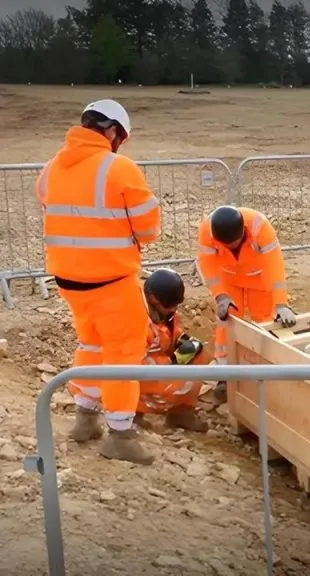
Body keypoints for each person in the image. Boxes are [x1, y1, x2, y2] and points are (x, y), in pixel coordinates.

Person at [36, 99, 162, 465]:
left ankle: (85, 417)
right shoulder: (119, 168)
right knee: (122, 354)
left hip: (68, 281)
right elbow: (149, 229)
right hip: (111, 280)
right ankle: (120, 434)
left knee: (91, 344)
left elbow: (55, 211)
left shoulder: (49, 169)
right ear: (112, 132)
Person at [196, 206, 297, 403]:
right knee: (228, 323)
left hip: (259, 279)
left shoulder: (260, 227)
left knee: (267, 322)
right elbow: (207, 266)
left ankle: (268, 373)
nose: (232, 248)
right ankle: (225, 374)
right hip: (229, 280)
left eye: (234, 244)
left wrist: (281, 304)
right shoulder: (207, 231)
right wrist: (220, 296)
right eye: (228, 245)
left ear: (243, 230)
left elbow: (275, 266)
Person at [134, 268, 212, 432]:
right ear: (153, 299)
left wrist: (183, 341)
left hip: (159, 365)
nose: (173, 310)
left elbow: (170, 332)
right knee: (178, 384)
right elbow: (136, 364)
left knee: (199, 354)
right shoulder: (137, 320)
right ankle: (134, 414)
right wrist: (174, 361)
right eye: (171, 305)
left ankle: (181, 413)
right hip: (139, 376)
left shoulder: (163, 311)